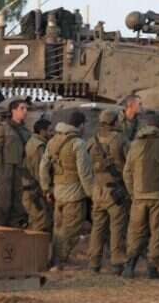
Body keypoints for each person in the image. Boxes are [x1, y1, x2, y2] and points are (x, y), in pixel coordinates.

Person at [122, 114, 159, 279]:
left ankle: (130, 266)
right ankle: (153, 268)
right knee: (157, 231)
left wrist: (133, 192)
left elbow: (127, 172)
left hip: (139, 196)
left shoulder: (135, 145)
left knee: (135, 231)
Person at [39, 111, 94, 271]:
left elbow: (43, 166)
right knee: (71, 230)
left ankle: (55, 259)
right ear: (81, 125)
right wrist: (91, 194)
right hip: (74, 194)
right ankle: (59, 262)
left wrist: (46, 188)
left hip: (58, 192)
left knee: (58, 229)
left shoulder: (53, 141)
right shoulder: (78, 143)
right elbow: (84, 172)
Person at [87, 110, 130, 274]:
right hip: (115, 190)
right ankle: (117, 262)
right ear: (114, 122)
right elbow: (130, 163)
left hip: (97, 190)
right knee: (117, 227)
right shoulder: (121, 139)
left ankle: (94, 263)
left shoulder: (92, 140)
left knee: (97, 228)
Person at [0, 98, 30, 227]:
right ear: (13, 110)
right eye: (22, 108)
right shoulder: (4, 128)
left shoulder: (25, 130)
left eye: (26, 108)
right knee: (3, 199)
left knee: (18, 198)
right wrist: (0, 169)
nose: (25, 111)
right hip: (6, 167)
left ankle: (15, 224)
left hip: (19, 167)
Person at [23, 118, 53, 232]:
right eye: (50, 130)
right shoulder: (39, 146)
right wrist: (46, 190)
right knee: (42, 224)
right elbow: (39, 172)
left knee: (35, 223)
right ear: (42, 131)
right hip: (34, 192)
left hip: (30, 191)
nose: (52, 133)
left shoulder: (32, 142)